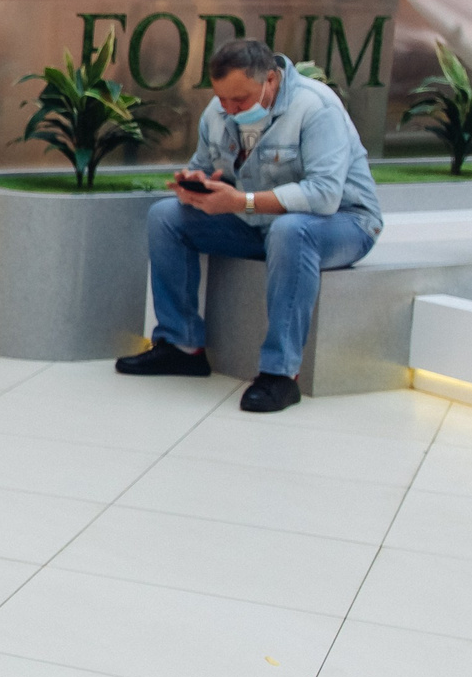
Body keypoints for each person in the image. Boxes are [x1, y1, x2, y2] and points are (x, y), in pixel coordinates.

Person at [116, 38, 382, 413]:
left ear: (270, 79)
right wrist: (195, 185)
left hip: (343, 224)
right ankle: (181, 346)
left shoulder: (316, 107)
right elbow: (206, 168)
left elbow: (324, 196)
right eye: (221, 98)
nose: (228, 109)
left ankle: (280, 374)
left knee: (291, 230)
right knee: (166, 216)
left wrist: (241, 202)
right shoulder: (218, 111)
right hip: (260, 222)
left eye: (239, 101)